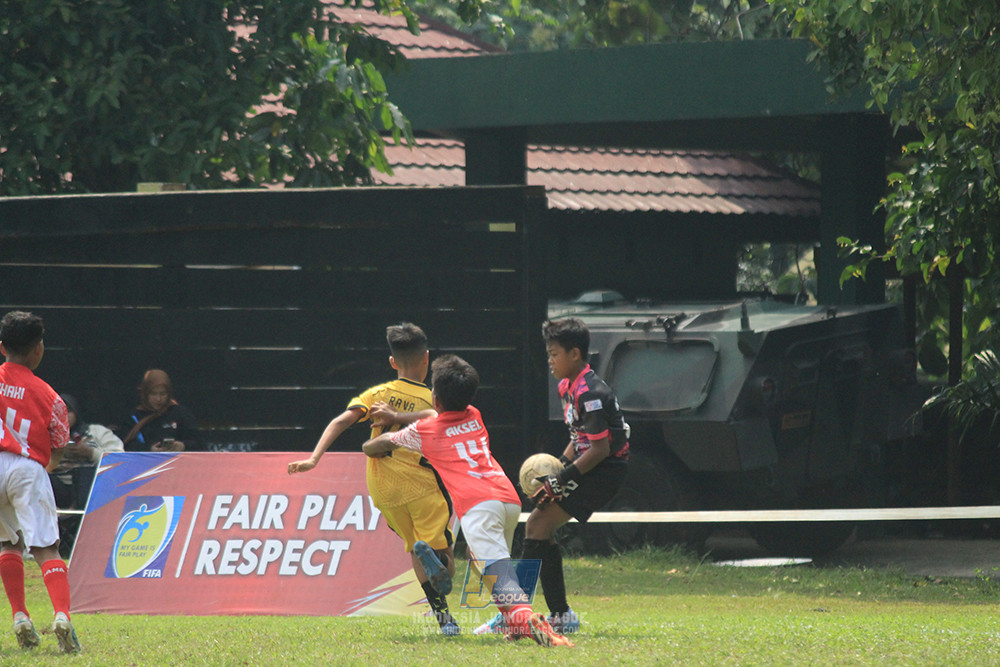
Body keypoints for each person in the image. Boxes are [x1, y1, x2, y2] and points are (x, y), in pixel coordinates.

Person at [363, 354, 574, 648]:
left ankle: (527, 619)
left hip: (478, 506)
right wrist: (400, 417)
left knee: (497, 571)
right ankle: (511, 623)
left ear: (435, 398)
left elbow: (379, 445)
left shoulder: (424, 432)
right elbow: (435, 415)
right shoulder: (474, 414)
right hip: (507, 500)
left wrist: (372, 439)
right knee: (479, 560)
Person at [287, 323, 460, 635]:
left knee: (414, 548)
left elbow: (342, 420)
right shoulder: (432, 398)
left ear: (393, 362)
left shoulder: (378, 394)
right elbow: (440, 422)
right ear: (426, 358)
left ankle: (444, 620)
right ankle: (437, 563)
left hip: (383, 489)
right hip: (420, 484)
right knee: (445, 555)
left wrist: (313, 458)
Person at [480, 317, 630, 637]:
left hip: (605, 470)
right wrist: (557, 470)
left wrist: (560, 480)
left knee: (536, 523)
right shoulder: (568, 386)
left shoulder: (589, 393)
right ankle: (560, 615)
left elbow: (600, 449)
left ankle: (514, 615)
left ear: (575, 354)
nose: (549, 361)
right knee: (541, 529)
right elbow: (579, 439)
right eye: (548, 354)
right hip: (591, 465)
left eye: (554, 354)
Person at [0, 311, 81, 653]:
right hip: (28, 467)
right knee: (46, 547)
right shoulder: (50, 396)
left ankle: (20, 616)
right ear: (39, 349)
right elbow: (59, 442)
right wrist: (45, 468)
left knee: (8, 543)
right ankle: (62, 616)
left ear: (2, 347)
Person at [49, 394, 124, 556]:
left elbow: (120, 459)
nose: (64, 416)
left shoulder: (97, 432)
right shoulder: (43, 434)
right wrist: (56, 452)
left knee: (86, 474)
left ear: (77, 412)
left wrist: (90, 452)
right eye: (59, 412)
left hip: (90, 491)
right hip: (57, 488)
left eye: (69, 411)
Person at [120, 369, 200, 452]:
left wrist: (183, 445)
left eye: (163, 394)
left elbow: (198, 441)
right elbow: (125, 445)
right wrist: (149, 449)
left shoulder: (180, 413)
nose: (158, 399)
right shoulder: (134, 416)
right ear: (145, 393)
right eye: (153, 394)